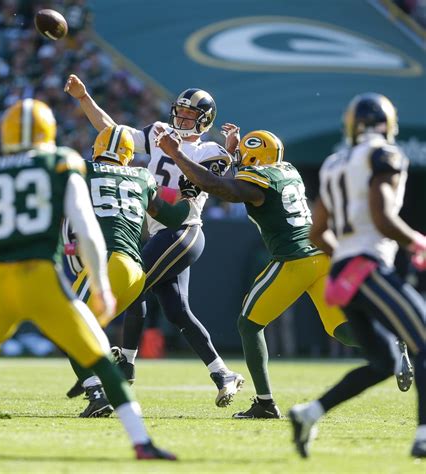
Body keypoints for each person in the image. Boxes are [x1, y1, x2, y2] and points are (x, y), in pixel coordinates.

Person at [0, 98, 176, 461]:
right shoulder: (61, 164)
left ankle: (113, 414)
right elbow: (86, 230)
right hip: (42, 279)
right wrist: (99, 282)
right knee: (100, 358)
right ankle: (142, 442)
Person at [154, 123, 360, 419]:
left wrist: (177, 154)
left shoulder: (258, 179)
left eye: (244, 156)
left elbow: (220, 187)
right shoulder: (287, 171)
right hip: (320, 257)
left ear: (255, 157)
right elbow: (239, 182)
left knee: (249, 324)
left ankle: (265, 402)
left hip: (294, 258)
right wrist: (233, 153)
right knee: (340, 329)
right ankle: (391, 342)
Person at [64, 74, 244, 408]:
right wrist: (85, 98)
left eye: (190, 115)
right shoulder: (162, 133)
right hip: (161, 232)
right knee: (177, 311)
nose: (182, 118)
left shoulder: (211, 150)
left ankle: (126, 365)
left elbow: (197, 188)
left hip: (183, 230)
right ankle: (223, 373)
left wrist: (174, 159)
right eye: (180, 111)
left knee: (136, 283)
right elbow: (115, 134)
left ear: (204, 120)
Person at [287, 92, 426, 458]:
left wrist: (347, 261)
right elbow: (382, 216)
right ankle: (424, 435)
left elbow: (318, 232)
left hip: (345, 272)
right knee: (423, 342)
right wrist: (417, 241)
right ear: (387, 123)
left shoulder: (334, 162)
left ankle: (309, 413)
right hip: (368, 265)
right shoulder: (383, 155)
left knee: (383, 362)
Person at [63, 124, 199, 418]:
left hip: (108, 261)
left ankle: (97, 394)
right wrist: (189, 198)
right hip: (137, 272)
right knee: (87, 329)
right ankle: (107, 365)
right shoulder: (141, 177)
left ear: (97, 148)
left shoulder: (83, 169)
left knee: (69, 326)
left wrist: (71, 253)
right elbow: (172, 217)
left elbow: (66, 221)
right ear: (128, 154)